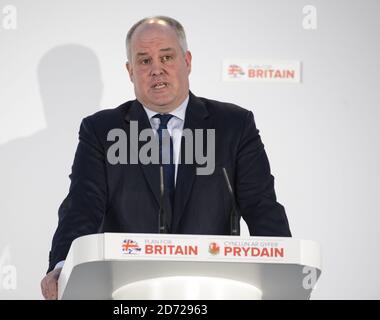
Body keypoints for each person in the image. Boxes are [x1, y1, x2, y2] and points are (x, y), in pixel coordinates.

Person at [40, 16, 291, 300]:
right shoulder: (101, 130)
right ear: (130, 71)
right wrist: (63, 265)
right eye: (144, 61)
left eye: (167, 57)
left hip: (213, 289)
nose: (156, 69)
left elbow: (261, 207)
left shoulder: (234, 125)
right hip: (127, 292)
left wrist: (282, 275)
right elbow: (82, 207)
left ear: (188, 61)